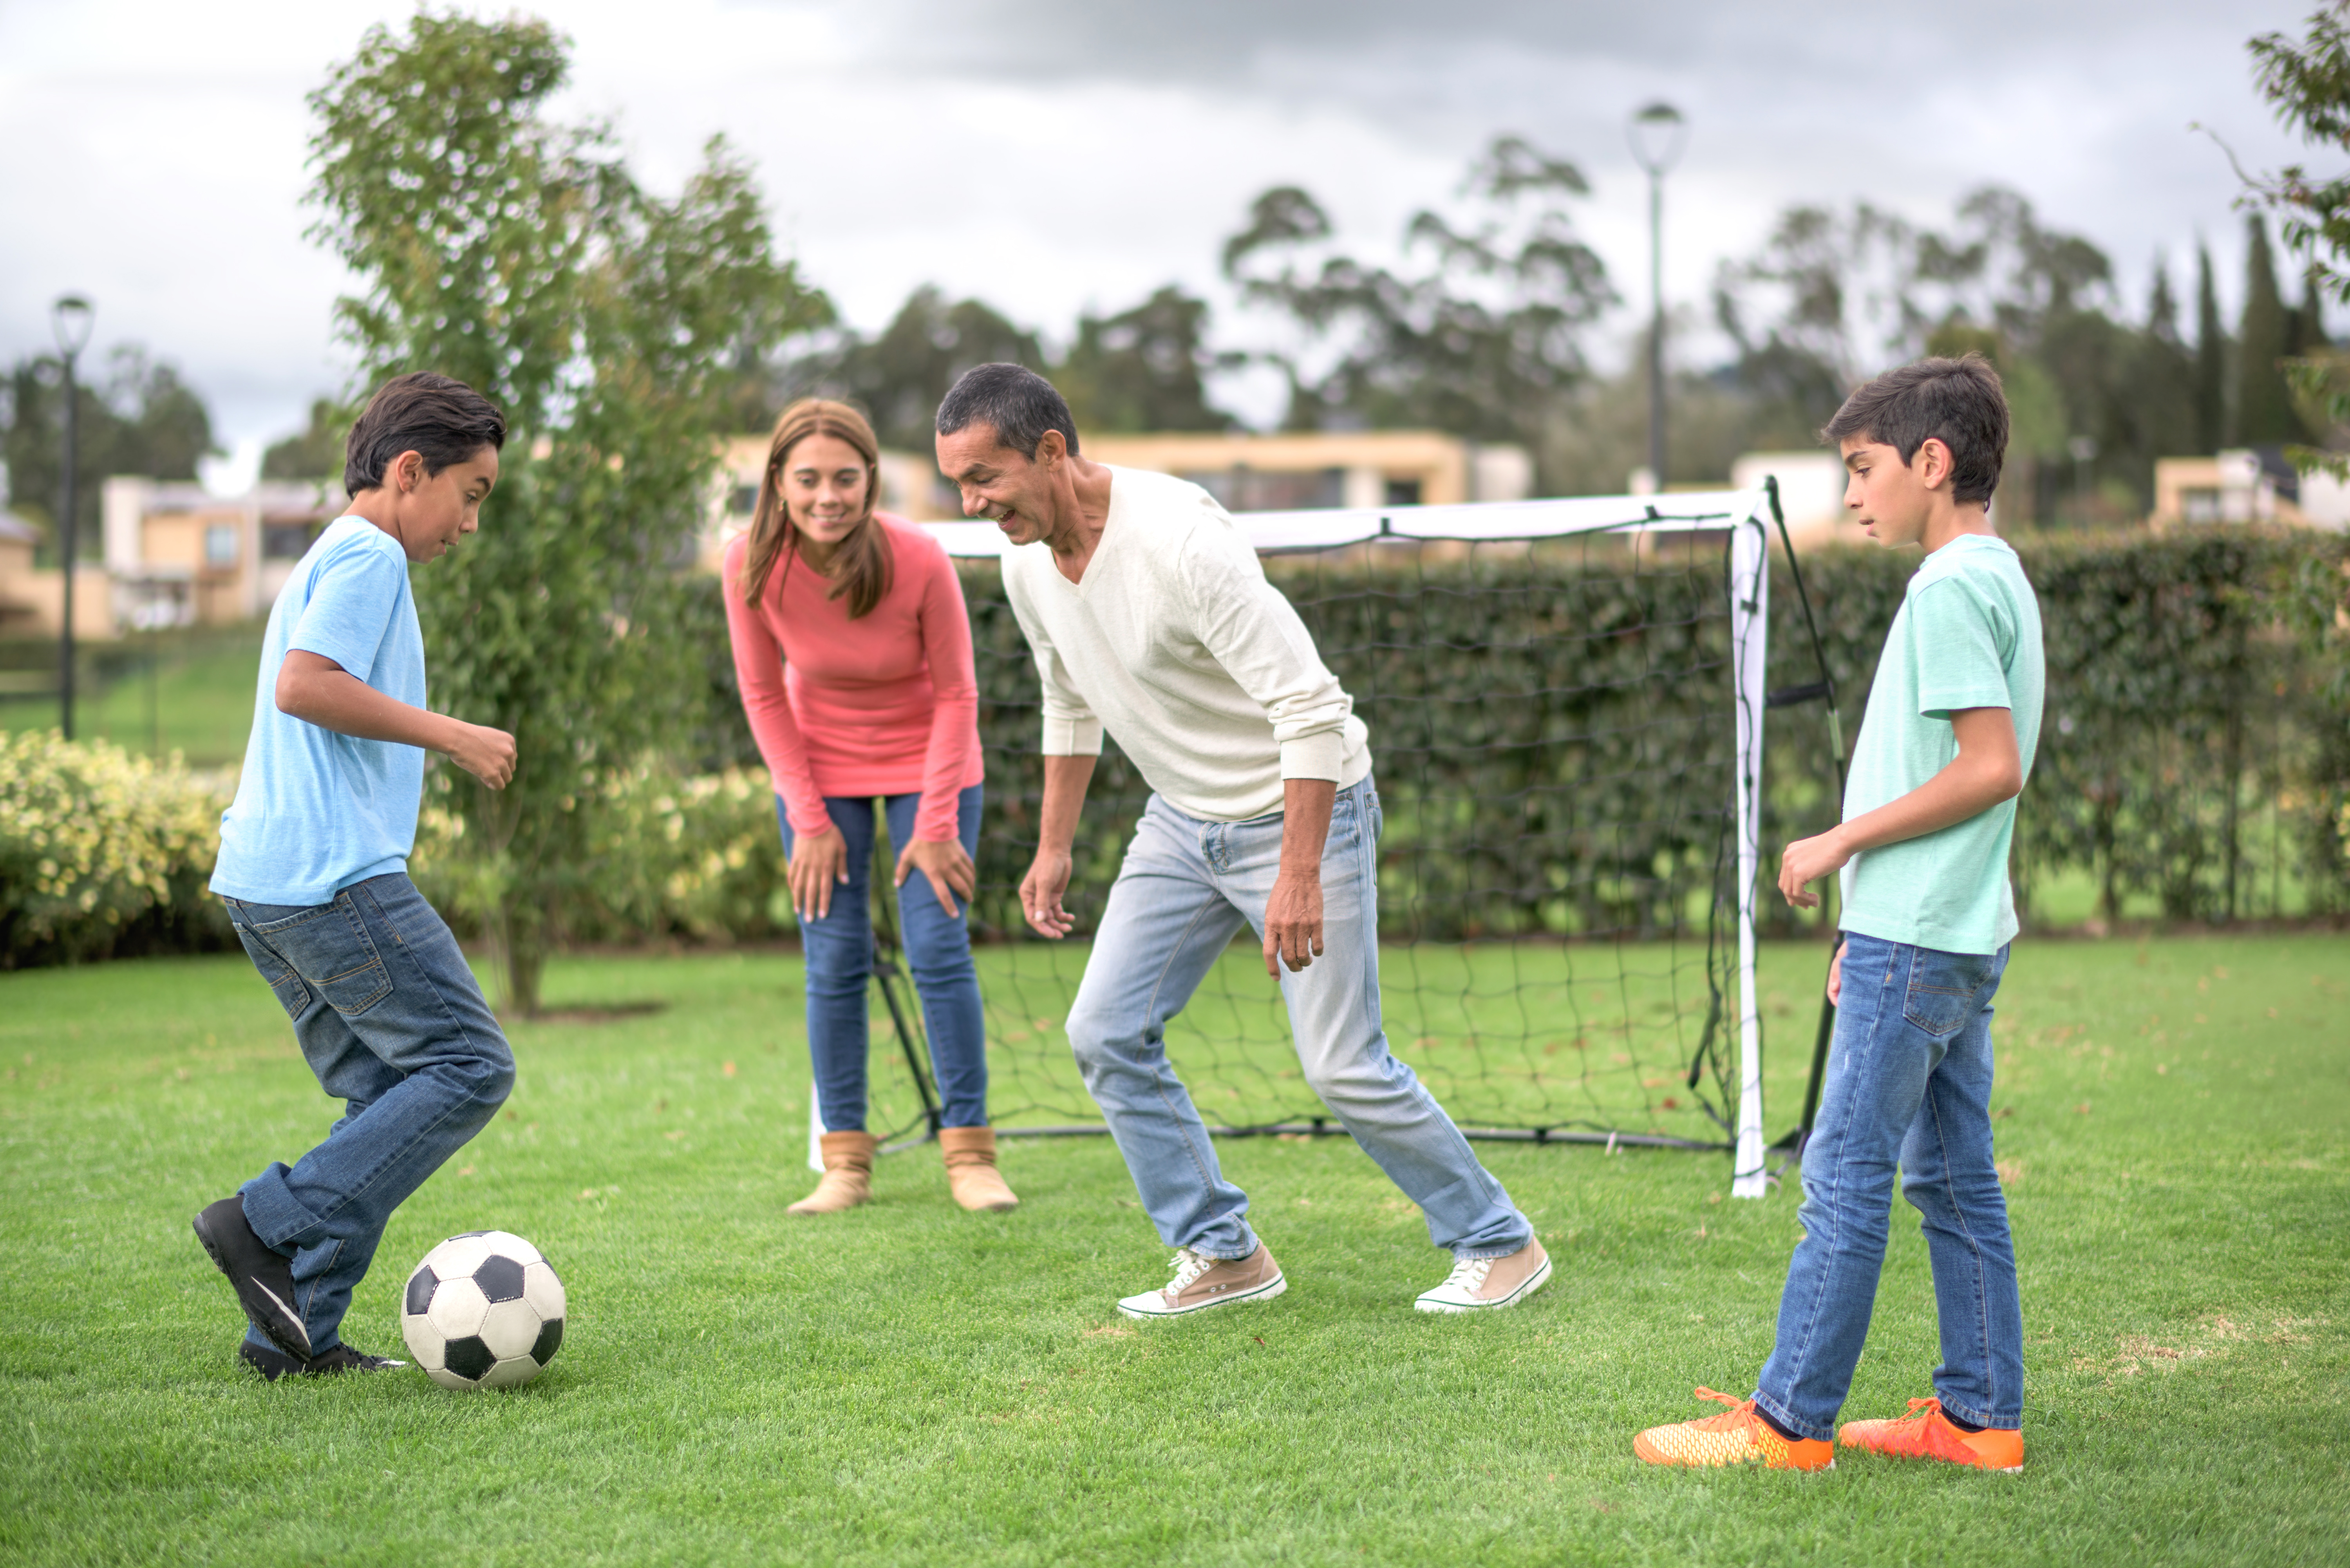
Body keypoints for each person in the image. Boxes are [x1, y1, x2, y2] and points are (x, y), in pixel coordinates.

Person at [935, 362, 1546, 1318]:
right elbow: (1069, 699)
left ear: (1052, 451)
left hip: (1309, 809)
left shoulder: (1182, 539)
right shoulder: (1024, 561)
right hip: (1181, 822)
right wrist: (1054, 846)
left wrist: (1298, 873)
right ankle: (1223, 1252)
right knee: (1104, 1030)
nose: (972, 503)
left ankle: (1499, 1241)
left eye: (986, 478)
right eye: (958, 485)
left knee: (1343, 1064)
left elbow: (1310, 708)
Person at [1634, 353, 2042, 1472]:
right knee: (1951, 1176)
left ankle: (1786, 1424)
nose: (1852, 495)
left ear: (1932, 460)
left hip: (1920, 937)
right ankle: (1979, 1417)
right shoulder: (2000, 575)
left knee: (1846, 1174)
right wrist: (1869, 928)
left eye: (1862, 469)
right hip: (1944, 936)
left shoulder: (1951, 586)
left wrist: (1841, 842)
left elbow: (1989, 765)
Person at [193, 372, 519, 1380]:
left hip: (266, 876)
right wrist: (455, 735)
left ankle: (296, 1338)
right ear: (409, 470)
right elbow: (306, 686)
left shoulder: (334, 553)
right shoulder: (372, 551)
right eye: (470, 494)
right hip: (331, 872)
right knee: (472, 1064)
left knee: (381, 1092)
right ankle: (261, 1221)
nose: (469, 524)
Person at [722, 398, 1013, 1216]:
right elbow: (760, 693)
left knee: (936, 945)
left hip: (933, 761)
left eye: (845, 479)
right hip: (821, 767)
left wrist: (937, 822)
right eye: (808, 479)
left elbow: (959, 692)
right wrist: (808, 819)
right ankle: (845, 1164)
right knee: (834, 957)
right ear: (778, 483)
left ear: (870, 480)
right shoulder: (747, 563)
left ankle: (971, 1155)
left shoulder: (919, 557)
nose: (827, 497)